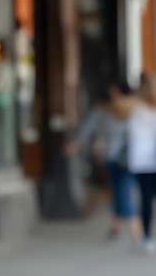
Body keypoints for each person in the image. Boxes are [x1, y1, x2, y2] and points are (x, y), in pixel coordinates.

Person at [66, 80, 143, 243]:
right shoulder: (137, 108)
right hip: (133, 157)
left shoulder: (103, 109)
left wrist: (76, 145)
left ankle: (134, 232)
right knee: (121, 191)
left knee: (120, 192)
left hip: (111, 156)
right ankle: (122, 229)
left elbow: (88, 129)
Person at [128, 72, 156, 252]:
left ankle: (146, 237)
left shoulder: (132, 106)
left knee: (145, 199)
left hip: (139, 160)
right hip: (147, 159)